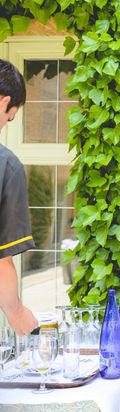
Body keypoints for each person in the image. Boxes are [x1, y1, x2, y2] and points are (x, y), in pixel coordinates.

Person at [0, 59, 38, 335]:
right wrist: (18, 314)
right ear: (4, 103)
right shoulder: (6, 166)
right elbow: (1, 262)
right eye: (9, 118)